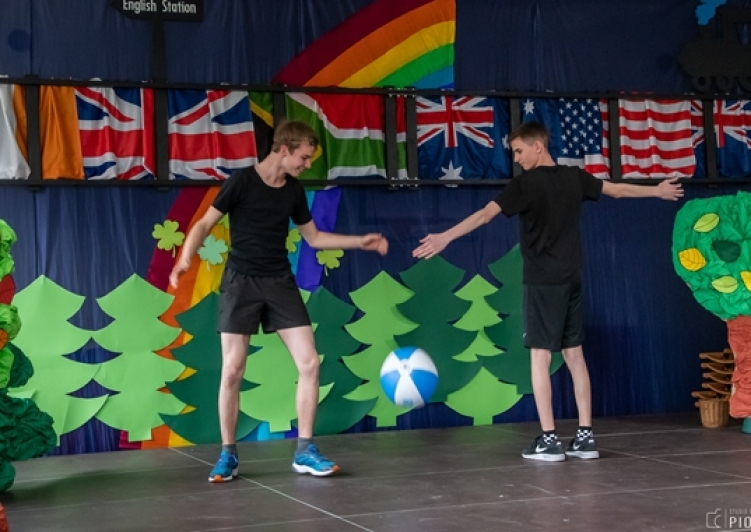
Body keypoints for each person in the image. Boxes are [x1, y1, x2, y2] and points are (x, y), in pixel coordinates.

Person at [412, 121, 683, 462]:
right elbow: (616, 190)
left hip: (543, 283)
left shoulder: (525, 185)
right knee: (575, 356)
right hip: (571, 280)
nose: (517, 159)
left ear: (537, 146)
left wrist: (445, 237)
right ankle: (585, 438)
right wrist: (657, 191)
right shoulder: (573, 177)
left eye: (519, 151)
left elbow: (485, 216)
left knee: (539, 358)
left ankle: (550, 440)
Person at [170, 120, 388, 482]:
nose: (307, 164)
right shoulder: (241, 182)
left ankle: (305, 451)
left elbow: (314, 238)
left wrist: (359, 241)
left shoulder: (293, 190)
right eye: (304, 157)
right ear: (284, 149)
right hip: (241, 282)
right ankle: (228, 454)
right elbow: (204, 224)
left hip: (279, 282)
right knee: (232, 370)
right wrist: (185, 258)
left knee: (310, 363)